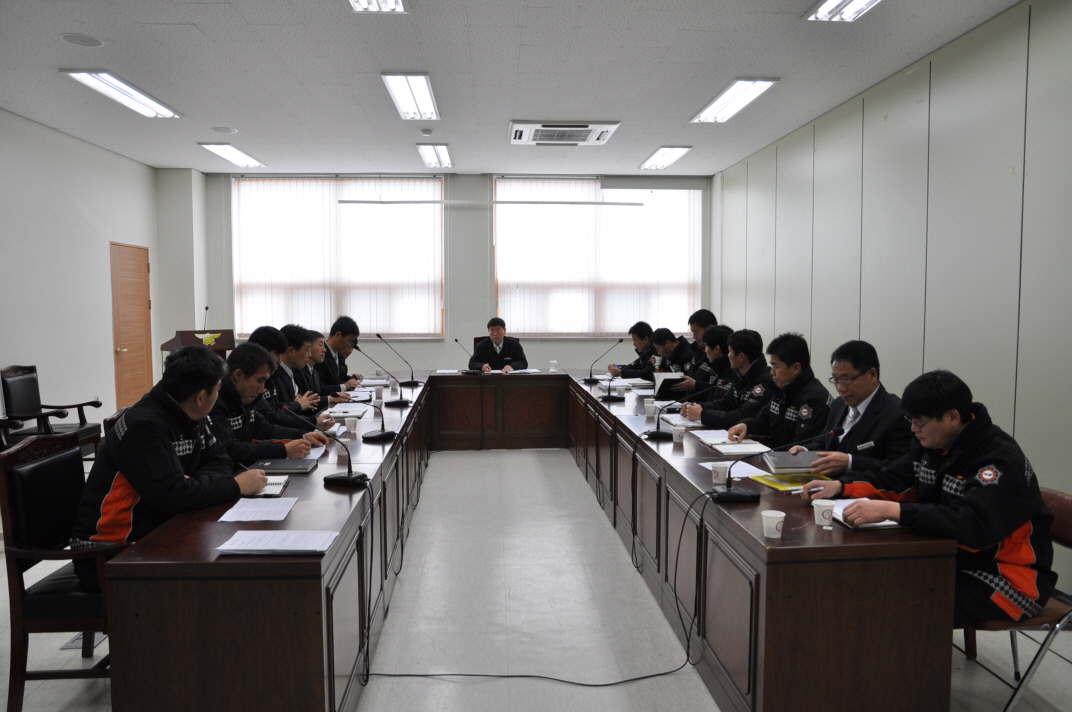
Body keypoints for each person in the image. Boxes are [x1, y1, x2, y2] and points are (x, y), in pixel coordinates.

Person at [802, 370, 1057, 627]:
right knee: (868, 579)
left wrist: (896, 511)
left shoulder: (999, 460)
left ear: (952, 417)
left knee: (897, 601)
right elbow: (895, 478)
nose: (913, 429)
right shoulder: (933, 444)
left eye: (920, 422)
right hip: (950, 558)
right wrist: (841, 487)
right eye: (910, 420)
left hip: (1010, 579)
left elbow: (972, 525)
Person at [71, 345, 267, 590]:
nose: (219, 396)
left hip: (157, 531)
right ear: (200, 397)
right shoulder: (144, 426)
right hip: (109, 553)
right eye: (218, 390)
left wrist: (193, 484)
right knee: (231, 577)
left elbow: (220, 459)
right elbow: (173, 495)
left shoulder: (191, 412)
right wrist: (234, 485)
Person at [789, 340, 912, 476]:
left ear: (872, 375)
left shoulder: (897, 413)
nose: (840, 388)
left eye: (847, 380)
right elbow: (825, 442)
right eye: (836, 380)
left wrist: (850, 463)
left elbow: (898, 469)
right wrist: (805, 450)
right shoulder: (839, 404)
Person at [210, 343, 330, 467]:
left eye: (265, 381)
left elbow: (265, 429)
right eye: (259, 380)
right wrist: (282, 450)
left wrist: (303, 436)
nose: (262, 389)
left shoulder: (246, 398)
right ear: (238, 375)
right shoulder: (215, 402)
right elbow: (230, 449)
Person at [727, 332, 831, 447]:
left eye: (776, 367)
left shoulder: (814, 400)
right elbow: (763, 420)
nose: (772, 372)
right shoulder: (782, 388)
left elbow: (802, 447)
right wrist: (746, 426)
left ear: (796, 368)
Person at [681, 329, 774, 428]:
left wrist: (703, 415)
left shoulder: (765, 381)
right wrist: (694, 406)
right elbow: (725, 404)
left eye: (730, 352)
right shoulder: (740, 374)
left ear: (741, 357)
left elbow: (742, 415)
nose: (728, 356)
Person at [673, 324, 734, 400]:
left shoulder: (731, 372)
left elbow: (723, 403)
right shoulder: (716, 366)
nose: (705, 350)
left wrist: (697, 386)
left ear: (717, 349)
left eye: (707, 346)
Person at [672, 309, 720, 396]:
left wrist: (696, 385)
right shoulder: (695, 349)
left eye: (696, 331)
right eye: (692, 332)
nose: (694, 336)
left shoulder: (719, 354)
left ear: (709, 328)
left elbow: (719, 390)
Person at [275, 324, 320, 415]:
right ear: (291, 351)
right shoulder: (275, 376)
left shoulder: (293, 371)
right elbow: (275, 412)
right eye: (307, 350)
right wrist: (297, 405)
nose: (310, 355)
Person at [317, 316, 362, 393]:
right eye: (349, 340)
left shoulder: (336, 355)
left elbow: (337, 381)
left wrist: (351, 381)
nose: (349, 344)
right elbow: (319, 388)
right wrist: (344, 386)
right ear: (338, 335)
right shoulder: (321, 355)